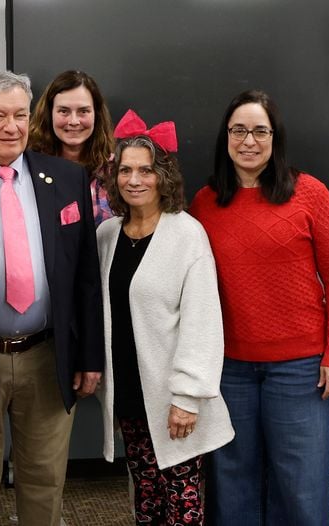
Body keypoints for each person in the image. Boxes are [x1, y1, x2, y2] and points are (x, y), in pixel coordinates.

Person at [189, 89, 329, 525]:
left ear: (275, 137)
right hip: (229, 368)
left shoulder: (310, 194)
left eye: (260, 131)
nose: (249, 141)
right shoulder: (205, 203)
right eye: (238, 130)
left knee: (301, 485)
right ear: (226, 137)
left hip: (300, 369)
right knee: (231, 482)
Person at [0, 70, 105, 526]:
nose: (12, 127)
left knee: (45, 478)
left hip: (47, 354)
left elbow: (85, 277)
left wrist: (89, 356)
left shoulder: (66, 177)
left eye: (20, 115)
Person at [96, 109, 235, 525]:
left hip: (172, 397)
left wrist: (187, 398)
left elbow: (202, 323)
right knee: (146, 496)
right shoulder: (107, 235)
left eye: (146, 170)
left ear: (163, 176)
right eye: (125, 170)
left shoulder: (187, 234)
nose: (134, 180)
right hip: (129, 393)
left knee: (181, 503)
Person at [29, 70, 116, 225]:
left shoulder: (115, 170)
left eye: (83, 111)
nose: (74, 121)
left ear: (96, 114)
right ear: (49, 113)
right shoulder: (28, 168)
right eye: (64, 111)